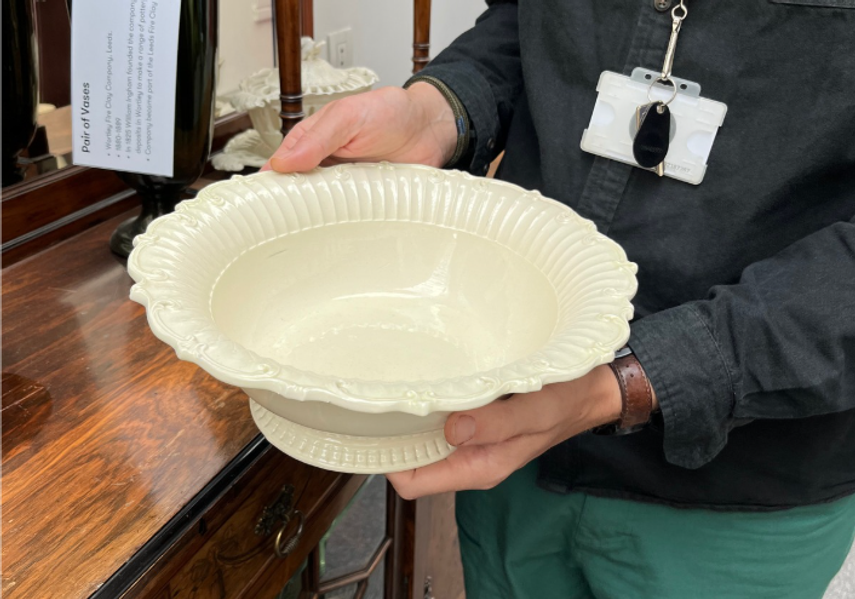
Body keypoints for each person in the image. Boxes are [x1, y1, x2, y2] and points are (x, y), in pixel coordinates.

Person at [265, 1, 855, 597]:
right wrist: (442, 107)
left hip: (740, 499)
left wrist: (640, 379)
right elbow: (527, 23)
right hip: (505, 430)